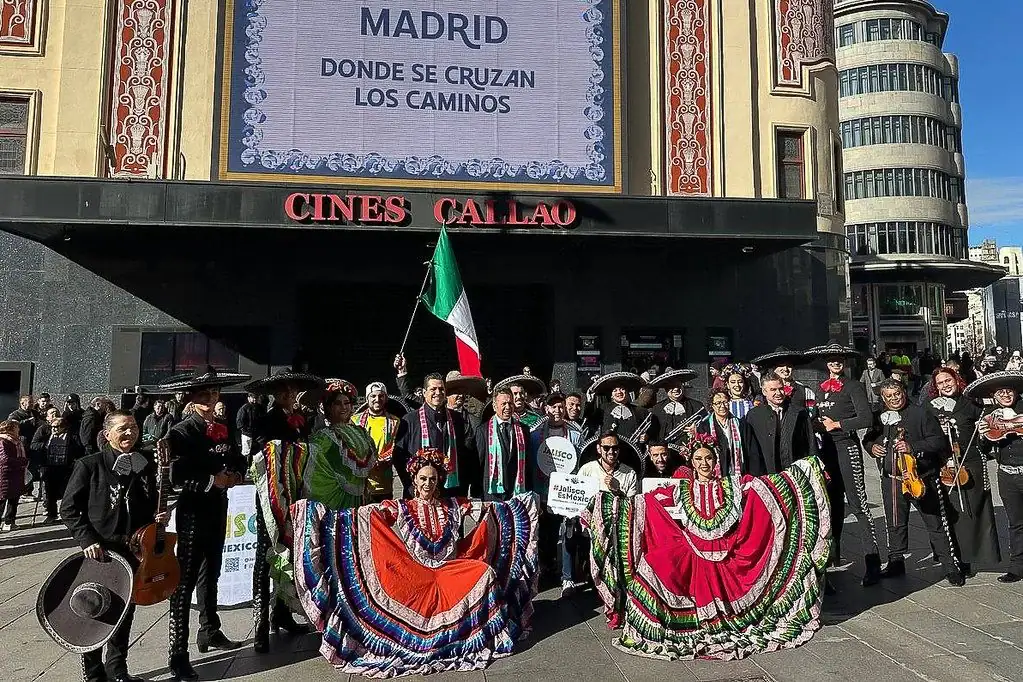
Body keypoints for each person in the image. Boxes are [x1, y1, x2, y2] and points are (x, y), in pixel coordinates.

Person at [291, 447, 540, 676]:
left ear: (439, 480)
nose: (427, 484)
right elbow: (367, 516)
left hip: (449, 570)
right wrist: (322, 515)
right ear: (414, 481)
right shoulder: (402, 506)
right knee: (380, 587)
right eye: (423, 479)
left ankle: (479, 635)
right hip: (416, 572)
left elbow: (487, 509)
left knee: (485, 572)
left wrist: (519, 505)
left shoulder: (453, 505)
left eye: (432, 479)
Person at [584, 436, 831, 659]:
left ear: (716, 461)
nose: (704, 463)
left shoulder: (733, 484)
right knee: (650, 570)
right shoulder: (680, 487)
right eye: (698, 459)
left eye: (708, 458)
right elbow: (645, 503)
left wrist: (803, 471)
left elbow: (765, 487)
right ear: (691, 463)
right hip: (690, 552)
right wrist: (608, 504)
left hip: (729, 555)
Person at [60, 410, 163, 682]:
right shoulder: (89, 465)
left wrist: (157, 516)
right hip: (100, 551)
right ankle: (93, 674)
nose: (130, 433)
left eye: (133, 427)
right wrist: (87, 539)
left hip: (133, 549)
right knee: (95, 611)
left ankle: (118, 671)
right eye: (122, 429)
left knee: (124, 611)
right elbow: (69, 509)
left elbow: (147, 502)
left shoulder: (144, 463)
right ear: (107, 434)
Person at [161, 368, 250, 680]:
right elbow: (175, 477)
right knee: (183, 584)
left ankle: (209, 630)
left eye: (214, 394)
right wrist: (215, 480)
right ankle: (177, 654)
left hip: (218, 510)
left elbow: (237, 457)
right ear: (191, 400)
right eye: (203, 395)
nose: (211, 399)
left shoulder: (223, 428)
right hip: (192, 514)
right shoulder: (180, 432)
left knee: (212, 572)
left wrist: (237, 473)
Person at [246, 369, 323, 654]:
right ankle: (259, 626)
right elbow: (259, 455)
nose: (288, 395)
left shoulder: (303, 420)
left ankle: (282, 613)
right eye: (283, 391)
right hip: (271, 499)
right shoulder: (265, 420)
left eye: (292, 391)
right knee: (266, 555)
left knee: (291, 554)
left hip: (297, 497)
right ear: (275, 395)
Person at [863, 379, 964, 586]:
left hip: (922, 477)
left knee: (935, 522)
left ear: (904, 392)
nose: (894, 399)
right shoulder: (880, 417)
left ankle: (950, 566)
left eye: (897, 394)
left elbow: (937, 441)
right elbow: (869, 438)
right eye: (889, 396)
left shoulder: (921, 413)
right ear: (883, 398)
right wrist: (872, 447)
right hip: (892, 480)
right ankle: (896, 562)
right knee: (895, 523)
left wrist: (912, 447)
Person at [805, 342, 880, 586]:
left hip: (847, 448)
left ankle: (873, 563)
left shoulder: (854, 386)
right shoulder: (820, 389)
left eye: (839, 359)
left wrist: (838, 425)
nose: (835, 362)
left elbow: (866, 417)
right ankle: (832, 563)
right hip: (826, 451)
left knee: (859, 506)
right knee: (831, 505)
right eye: (830, 359)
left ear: (845, 362)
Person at [925, 368, 1001, 575]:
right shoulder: (930, 407)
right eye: (940, 383)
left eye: (948, 380)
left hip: (971, 462)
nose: (945, 385)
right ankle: (951, 556)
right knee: (949, 511)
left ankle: (969, 556)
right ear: (935, 386)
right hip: (942, 464)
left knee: (970, 512)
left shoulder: (971, 403)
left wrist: (985, 432)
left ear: (956, 380)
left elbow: (988, 425)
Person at [529, 392, 584, 593]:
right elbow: (532, 465)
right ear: (546, 409)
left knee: (568, 533)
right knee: (546, 534)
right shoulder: (535, 434)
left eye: (561, 407)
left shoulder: (575, 434)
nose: (557, 411)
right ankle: (547, 568)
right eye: (553, 407)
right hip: (543, 492)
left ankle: (567, 577)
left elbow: (579, 463)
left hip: (566, 492)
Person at [972, 371, 1023, 583]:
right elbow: (984, 449)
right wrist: (983, 435)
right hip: (1007, 474)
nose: (1005, 394)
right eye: (1000, 392)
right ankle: (1018, 567)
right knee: (1016, 522)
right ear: (994, 395)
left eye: (1009, 390)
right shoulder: (990, 416)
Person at [394, 372, 479, 498]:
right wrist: (411, 484)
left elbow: (466, 454)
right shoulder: (409, 420)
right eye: (433, 389)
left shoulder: (457, 419)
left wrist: (463, 486)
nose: (438, 393)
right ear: (424, 392)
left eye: (441, 389)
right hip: (419, 490)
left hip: (451, 490)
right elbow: (399, 457)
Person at [746, 373, 818, 474]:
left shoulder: (799, 412)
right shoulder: (754, 416)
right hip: (767, 474)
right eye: (773, 390)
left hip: (796, 471)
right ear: (764, 391)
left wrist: (814, 467)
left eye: (780, 389)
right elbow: (751, 450)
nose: (778, 393)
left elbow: (811, 443)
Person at [476, 387, 532, 502]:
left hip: (517, 492)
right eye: (504, 404)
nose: (508, 407)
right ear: (494, 406)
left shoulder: (524, 430)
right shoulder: (483, 430)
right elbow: (479, 465)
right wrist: (478, 494)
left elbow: (528, 464)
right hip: (492, 493)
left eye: (510, 403)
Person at [30, 406, 84, 523]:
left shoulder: (72, 435)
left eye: (57, 427)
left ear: (63, 427)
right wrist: (44, 446)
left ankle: (68, 514)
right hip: (49, 466)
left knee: (67, 492)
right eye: (53, 427)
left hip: (66, 467)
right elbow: (33, 445)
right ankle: (51, 514)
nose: (54, 429)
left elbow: (79, 449)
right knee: (49, 492)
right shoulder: (44, 430)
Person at [694, 388, 765, 476]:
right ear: (712, 405)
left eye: (725, 402)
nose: (722, 406)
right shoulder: (704, 427)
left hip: (740, 475)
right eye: (718, 403)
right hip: (715, 475)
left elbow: (753, 453)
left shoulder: (742, 425)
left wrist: (753, 477)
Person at [352, 381, 403, 502]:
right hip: (361, 484)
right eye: (373, 396)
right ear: (367, 399)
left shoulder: (394, 422)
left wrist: (387, 459)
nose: (377, 399)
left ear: (385, 398)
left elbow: (397, 447)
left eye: (381, 396)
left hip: (384, 483)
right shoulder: (355, 421)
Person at [584, 372, 652, 445]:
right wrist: (589, 402)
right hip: (609, 450)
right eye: (615, 390)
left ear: (627, 392)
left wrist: (646, 436)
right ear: (611, 395)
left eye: (622, 389)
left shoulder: (640, 411)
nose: (619, 392)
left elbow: (651, 431)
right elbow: (588, 422)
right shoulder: (603, 409)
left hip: (632, 451)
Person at [577, 431, 640, 498]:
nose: (611, 452)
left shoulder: (630, 474)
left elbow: (633, 505)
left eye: (615, 448)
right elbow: (576, 497)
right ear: (599, 449)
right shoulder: (586, 470)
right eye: (606, 448)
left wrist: (617, 491)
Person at [647, 368, 704, 441]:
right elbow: (652, 434)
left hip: (690, 448)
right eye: (671, 386)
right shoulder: (657, 409)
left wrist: (697, 432)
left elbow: (707, 429)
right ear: (665, 389)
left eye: (678, 385)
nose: (676, 389)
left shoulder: (697, 406)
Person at [0, 420, 27, 531]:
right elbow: (4, 459)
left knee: (14, 499)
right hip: (4, 476)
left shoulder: (16, 441)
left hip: (15, 475)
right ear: (9, 429)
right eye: (16, 427)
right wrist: (22, 461)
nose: (18, 430)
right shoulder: (3, 441)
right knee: (2, 500)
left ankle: (10, 521)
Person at [235, 392, 262, 460]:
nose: (254, 400)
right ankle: (245, 466)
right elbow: (239, 421)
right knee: (246, 452)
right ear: (249, 398)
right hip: (247, 434)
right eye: (253, 398)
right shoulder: (244, 408)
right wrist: (245, 430)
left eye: (256, 398)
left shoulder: (259, 408)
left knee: (257, 453)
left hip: (257, 435)